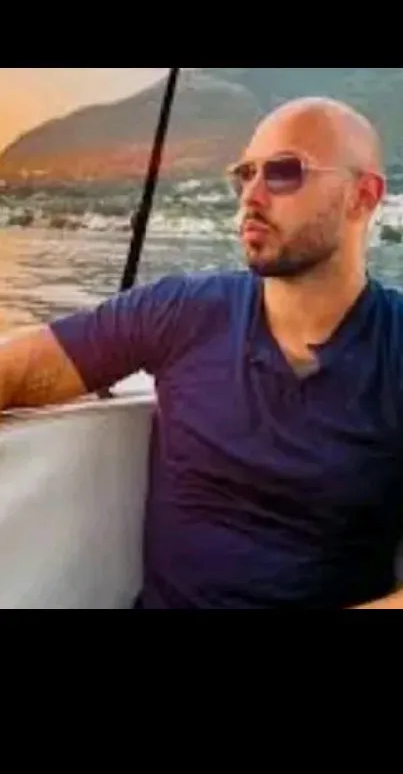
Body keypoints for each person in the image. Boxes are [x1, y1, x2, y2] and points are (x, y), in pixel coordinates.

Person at [1, 95, 403, 610]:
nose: (252, 196)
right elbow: (17, 372)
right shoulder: (180, 312)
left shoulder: (393, 352)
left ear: (363, 196)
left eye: (284, 172)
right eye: (244, 174)